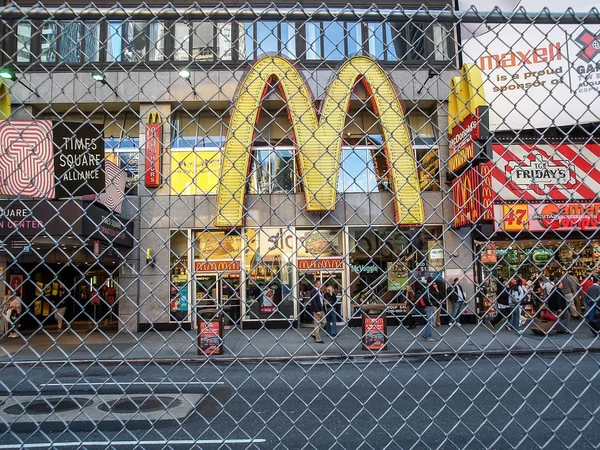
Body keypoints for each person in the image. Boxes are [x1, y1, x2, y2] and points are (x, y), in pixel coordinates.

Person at [422, 277, 440, 342]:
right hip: (429, 306)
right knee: (430, 321)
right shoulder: (428, 288)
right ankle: (428, 337)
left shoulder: (427, 287)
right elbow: (428, 298)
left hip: (428, 305)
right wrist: (431, 304)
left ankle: (425, 333)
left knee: (430, 320)